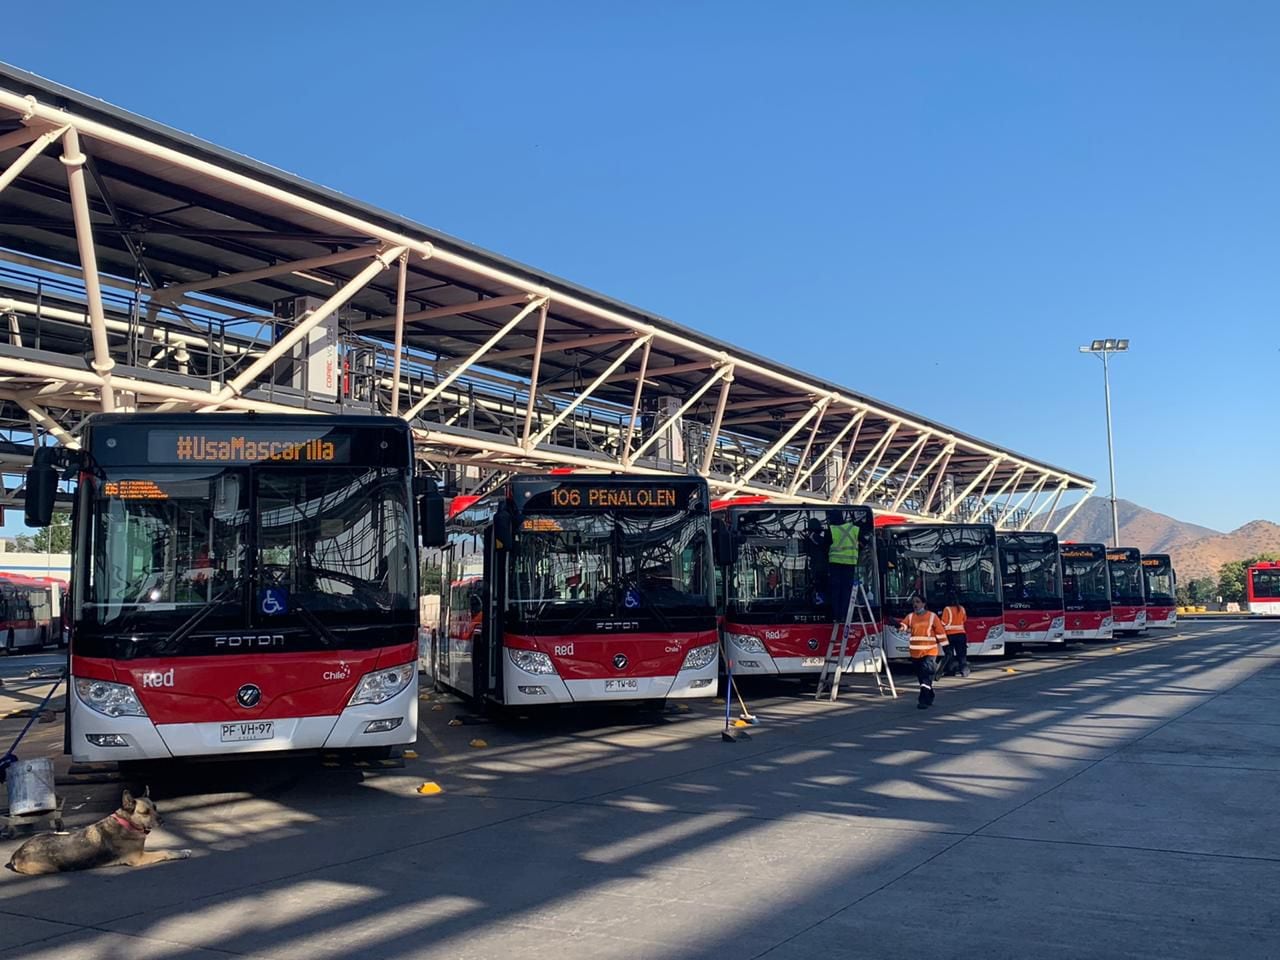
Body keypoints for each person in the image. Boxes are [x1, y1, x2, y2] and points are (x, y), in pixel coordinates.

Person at [900, 592, 947, 709]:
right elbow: (904, 626)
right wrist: (899, 626)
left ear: (924, 604)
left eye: (917, 602)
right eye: (913, 602)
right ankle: (930, 694)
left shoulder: (932, 616)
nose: (915, 605)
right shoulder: (910, 617)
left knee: (926, 676)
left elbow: (940, 632)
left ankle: (923, 699)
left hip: (929, 652)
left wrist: (946, 647)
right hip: (915, 653)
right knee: (921, 677)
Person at [940, 592, 970, 677]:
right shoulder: (962, 608)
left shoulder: (947, 609)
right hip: (961, 635)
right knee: (962, 654)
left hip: (949, 635)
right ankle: (964, 671)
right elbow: (964, 619)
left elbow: (943, 622)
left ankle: (951, 671)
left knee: (950, 654)